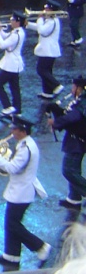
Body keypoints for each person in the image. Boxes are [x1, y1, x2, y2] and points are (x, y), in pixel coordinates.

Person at [0, 116, 51, 269]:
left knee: (13, 224)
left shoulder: (26, 148)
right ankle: (11, 256)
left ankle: (41, 247)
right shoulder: (24, 144)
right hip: (19, 190)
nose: (12, 132)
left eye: (15, 129)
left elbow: (13, 168)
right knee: (11, 223)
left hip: (21, 193)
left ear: (23, 131)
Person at [48, 75, 86, 210]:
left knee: (69, 171)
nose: (72, 89)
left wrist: (56, 122)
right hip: (75, 139)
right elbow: (68, 114)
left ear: (79, 88)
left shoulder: (83, 101)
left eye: (74, 87)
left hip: (78, 141)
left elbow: (74, 117)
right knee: (74, 170)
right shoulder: (80, 100)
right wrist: (55, 109)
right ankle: (74, 198)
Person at [0, 12, 27, 118]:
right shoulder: (17, 32)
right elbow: (7, 37)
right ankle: (17, 110)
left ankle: (7, 107)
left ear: (18, 22)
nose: (10, 21)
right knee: (14, 88)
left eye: (12, 20)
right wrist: (0, 30)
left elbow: (2, 45)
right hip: (14, 64)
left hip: (10, 65)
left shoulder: (16, 34)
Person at [29, 0, 63, 99]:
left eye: (46, 9)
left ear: (51, 10)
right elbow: (40, 27)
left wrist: (39, 19)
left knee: (41, 70)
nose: (44, 11)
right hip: (47, 50)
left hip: (48, 50)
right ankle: (47, 92)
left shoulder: (52, 21)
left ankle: (56, 85)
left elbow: (41, 30)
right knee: (47, 71)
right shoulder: (49, 21)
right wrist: (27, 24)